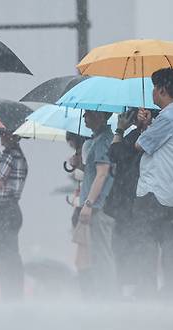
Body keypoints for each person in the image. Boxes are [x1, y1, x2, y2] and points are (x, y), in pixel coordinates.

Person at [131, 67, 173, 301]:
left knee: (147, 242)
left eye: (154, 88)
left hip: (154, 192)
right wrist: (149, 125)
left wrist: (143, 127)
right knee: (171, 240)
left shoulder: (168, 116)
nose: (152, 93)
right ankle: (171, 291)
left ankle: (148, 290)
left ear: (162, 89)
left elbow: (141, 145)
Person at [104, 108, 154, 298]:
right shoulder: (135, 135)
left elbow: (116, 153)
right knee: (122, 245)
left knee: (132, 245)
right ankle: (127, 285)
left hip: (134, 200)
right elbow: (114, 153)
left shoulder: (149, 136)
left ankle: (135, 286)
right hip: (126, 201)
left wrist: (119, 130)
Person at [75, 110, 116, 298]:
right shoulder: (98, 139)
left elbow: (102, 173)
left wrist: (89, 204)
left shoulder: (104, 140)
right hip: (94, 206)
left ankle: (106, 296)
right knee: (93, 253)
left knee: (101, 253)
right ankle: (100, 294)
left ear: (100, 116)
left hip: (98, 207)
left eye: (88, 114)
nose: (84, 118)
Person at [0, 132, 28, 300]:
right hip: (13, 208)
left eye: (4, 133)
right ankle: (15, 291)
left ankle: (9, 293)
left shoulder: (9, 155)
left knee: (4, 253)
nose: (1, 137)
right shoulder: (21, 157)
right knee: (12, 252)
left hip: (2, 208)